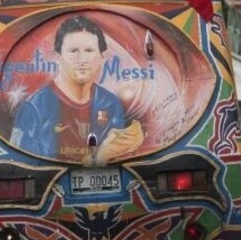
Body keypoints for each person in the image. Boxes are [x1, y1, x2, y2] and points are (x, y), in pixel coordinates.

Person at [10, 14, 143, 163]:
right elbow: (21, 163)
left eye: (89, 51)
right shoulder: (34, 109)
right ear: (58, 56)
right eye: (73, 51)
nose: (82, 59)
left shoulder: (111, 103)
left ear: (102, 57)